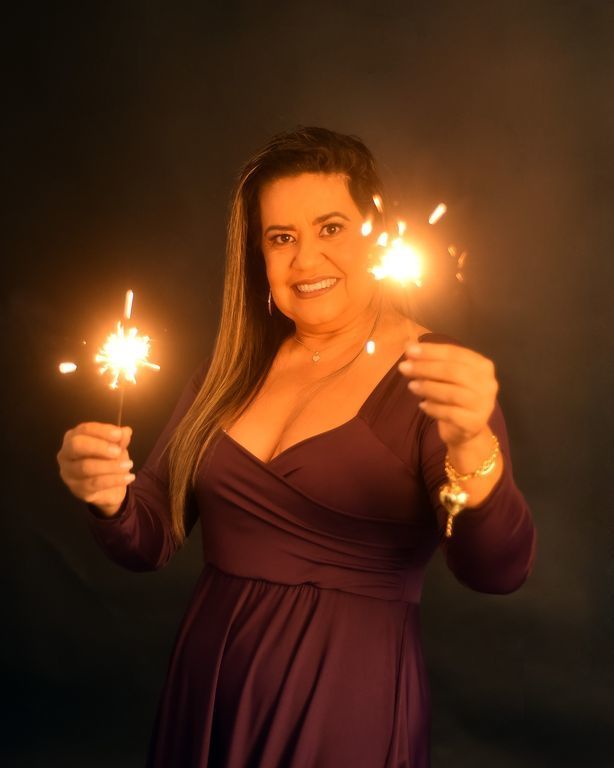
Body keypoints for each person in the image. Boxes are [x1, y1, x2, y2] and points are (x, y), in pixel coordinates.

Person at [57, 126, 537, 767]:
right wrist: (108, 499)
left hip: (342, 706)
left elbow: (498, 572)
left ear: (375, 231)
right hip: (206, 694)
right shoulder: (230, 370)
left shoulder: (436, 377)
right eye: (281, 238)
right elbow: (150, 539)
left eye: (330, 228)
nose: (305, 261)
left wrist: (473, 443)